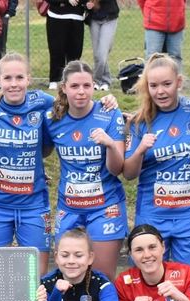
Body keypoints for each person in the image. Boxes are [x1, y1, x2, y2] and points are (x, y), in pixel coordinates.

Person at [0, 53, 53, 275]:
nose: (13, 84)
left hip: (34, 205)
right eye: (7, 78)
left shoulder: (43, 102)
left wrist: (107, 103)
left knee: (37, 279)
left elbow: (75, 103)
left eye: (19, 77)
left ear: (29, 79)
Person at [123, 53, 190, 269]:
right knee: (147, 283)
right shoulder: (139, 122)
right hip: (153, 214)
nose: (160, 91)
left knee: (187, 283)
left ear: (178, 82)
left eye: (167, 84)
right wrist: (141, 149)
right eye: (153, 85)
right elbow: (129, 173)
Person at [46, 60, 126, 278]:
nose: (81, 92)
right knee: (67, 275)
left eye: (87, 86)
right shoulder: (52, 118)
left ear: (94, 86)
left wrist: (109, 144)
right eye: (74, 86)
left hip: (105, 207)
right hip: (69, 206)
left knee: (101, 277)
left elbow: (117, 169)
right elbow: (40, 149)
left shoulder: (109, 114)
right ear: (64, 87)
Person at [44, 0, 87, 90]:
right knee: (56, 50)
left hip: (77, 17)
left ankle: (73, 80)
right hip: (56, 16)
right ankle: (55, 80)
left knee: (75, 52)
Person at [85, 0, 120, 91]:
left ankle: (96, 80)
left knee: (102, 53)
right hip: (94, 19)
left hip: (109, 18)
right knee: (97, 55)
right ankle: (105, 81)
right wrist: (86, 4)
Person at [138, 0, 185, 66]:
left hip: (176, 21)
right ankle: (152, 76)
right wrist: (149, 13)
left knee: (175, 57)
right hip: (154, 22)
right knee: (153, 57)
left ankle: (175, 76)